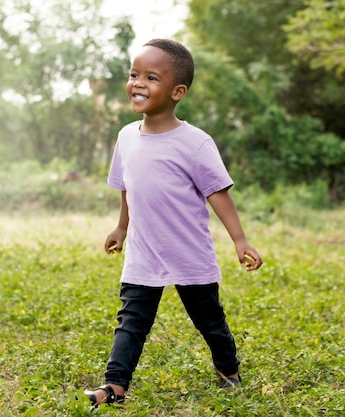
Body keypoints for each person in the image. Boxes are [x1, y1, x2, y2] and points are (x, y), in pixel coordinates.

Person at [84, 38, 263, 407]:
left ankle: (229, 370)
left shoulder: (195, 142)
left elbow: (218, 193)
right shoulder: (125, 138)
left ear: (177, 91)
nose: (138, 83)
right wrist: (121, 227)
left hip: (188, 253)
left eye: (151, 77)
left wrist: (240, 240)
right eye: (134, 75)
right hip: (143, 253)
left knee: (209, 319)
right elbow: (127, 189)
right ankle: (115, 386)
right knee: (131, 320)